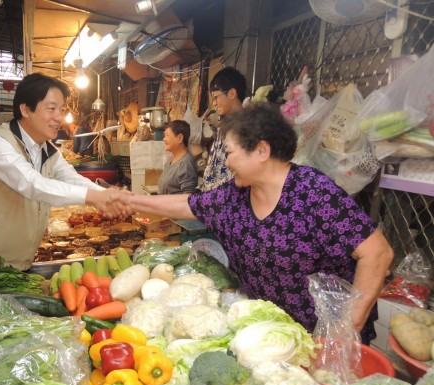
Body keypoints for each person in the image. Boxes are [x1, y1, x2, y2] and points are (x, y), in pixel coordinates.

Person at [124, 105, 393, 344]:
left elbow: (377, 253)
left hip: (323, 339)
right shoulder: (235, 195)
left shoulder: (314, 192)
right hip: (271, 337)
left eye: (230, 153)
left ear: (262, 150)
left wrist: (344, 331)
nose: (227, 163)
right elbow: (188, 204)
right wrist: (130, 201)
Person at [0, 73, 128, 295]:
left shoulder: (47, 149)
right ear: (25, 109)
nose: (59, 117)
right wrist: (96, 198)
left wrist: (110, 196)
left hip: (17, 261)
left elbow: (71, 178)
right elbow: (33, 184)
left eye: (62, 110)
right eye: (51, 109)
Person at [200, 66, 247, 192]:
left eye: (216, 97)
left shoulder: (247, 128)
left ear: (232, 93)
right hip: (213, 198)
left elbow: (234, 176)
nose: (214, 103)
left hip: (227, 200)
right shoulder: (224, 125)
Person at [157, 120, 198, 194]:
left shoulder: (186, 163)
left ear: (179, 138)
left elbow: (187, 198)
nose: (164, 139)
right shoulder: (170, 161)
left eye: (167, 135)